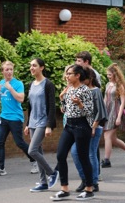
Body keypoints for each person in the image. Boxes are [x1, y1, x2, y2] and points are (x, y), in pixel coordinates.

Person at [50, 64, 95, 201]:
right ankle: (64, 189)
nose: (67, 76)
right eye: (67, 74)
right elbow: (65, 110)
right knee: (60, 155)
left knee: (83, 157)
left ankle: (89, 189)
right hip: (69, 125)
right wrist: (62, 99)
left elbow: (90, 111)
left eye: (69, 74)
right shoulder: (69, 89)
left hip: (81, 125)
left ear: (78, 75)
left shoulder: (85, 90)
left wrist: (80, 104)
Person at [0, 61, 38, 177]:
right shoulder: (0, 83)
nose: (9, 72)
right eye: (7, 70)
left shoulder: (18, 84)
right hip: (3, 117)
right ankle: (0, 168)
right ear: (2, 71)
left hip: (15, 118)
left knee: (19, 142)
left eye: (11, 69)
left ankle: (35, 161)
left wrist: (10, 88)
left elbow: (21, 99)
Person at [24, 58, 59, 192]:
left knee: (32, 151)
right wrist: (27, 123)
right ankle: (43, 183)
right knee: (38, 151)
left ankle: (52, 173)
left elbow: (51, 106)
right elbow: (30, 105)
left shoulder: (48, 84)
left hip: (43, 121)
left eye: (34, 65)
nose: (32, 68)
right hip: (33, 121)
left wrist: (49, 125)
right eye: (31, 65)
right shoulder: (31, 84)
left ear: (42, 67)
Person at [70, 67, 107, 193]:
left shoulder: (95, 91)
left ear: (89, 78)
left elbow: (100, 112)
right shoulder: (80, 90)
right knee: (75, 153)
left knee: (91, 154)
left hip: (94, 128)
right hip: (82, 127)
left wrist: (94, 126)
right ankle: (85, 179)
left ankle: (94, 181)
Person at [102, 63, 125, 168]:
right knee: (113, 138)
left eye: (110, 74)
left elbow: (123, 102)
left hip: (115, 111)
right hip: (107, 112)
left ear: (115, 74)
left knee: (107, 136)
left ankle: (107, 160)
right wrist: (101, 111)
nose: (108, 76)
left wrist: (118, 117)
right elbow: (105, 99)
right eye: (107, 74)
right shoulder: (108, 85)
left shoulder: (120, 86)